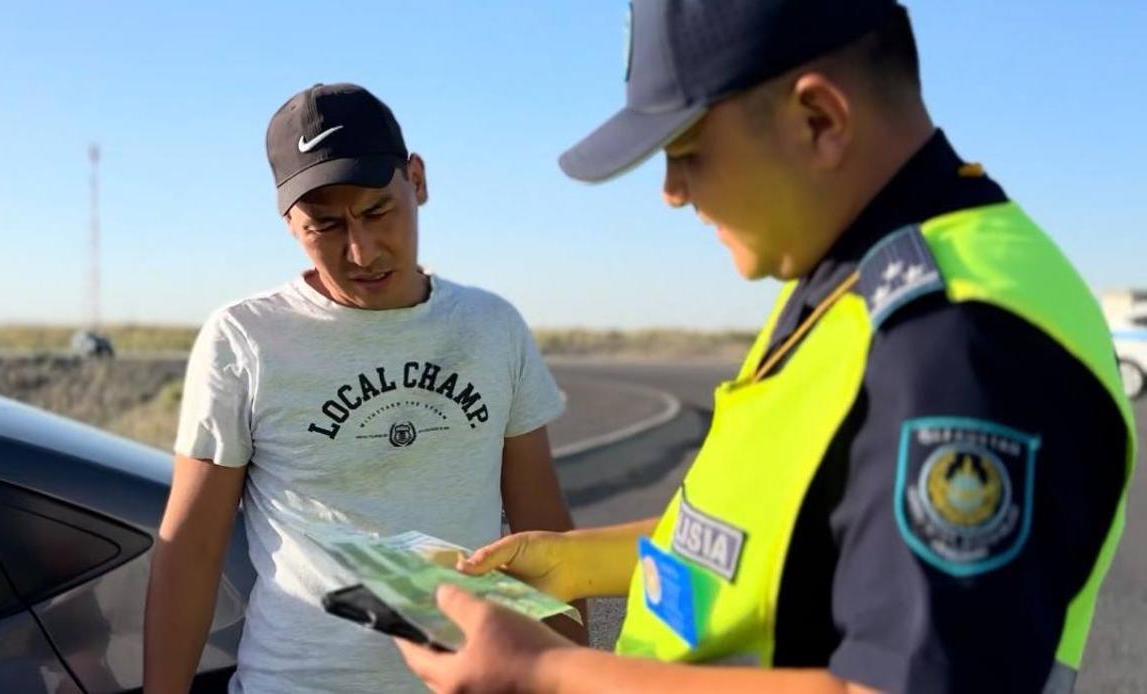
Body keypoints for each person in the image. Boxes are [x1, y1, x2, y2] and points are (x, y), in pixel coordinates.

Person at [396, 2, 1136, 693]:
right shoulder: (853, 273)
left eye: (686, 150)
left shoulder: (958, 344)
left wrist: (550, 671)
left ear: (819, 119)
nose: (672, 191)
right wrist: (575, 563)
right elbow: (774, 538)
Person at [144, 82, 581, 694]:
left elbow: (546, 533)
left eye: (378, 211)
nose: (361, 250)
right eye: (324, 225)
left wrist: (573, 679)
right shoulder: (244, 339)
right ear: (289, 222)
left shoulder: (492, 328)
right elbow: (191, 548)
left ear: (417, 180)